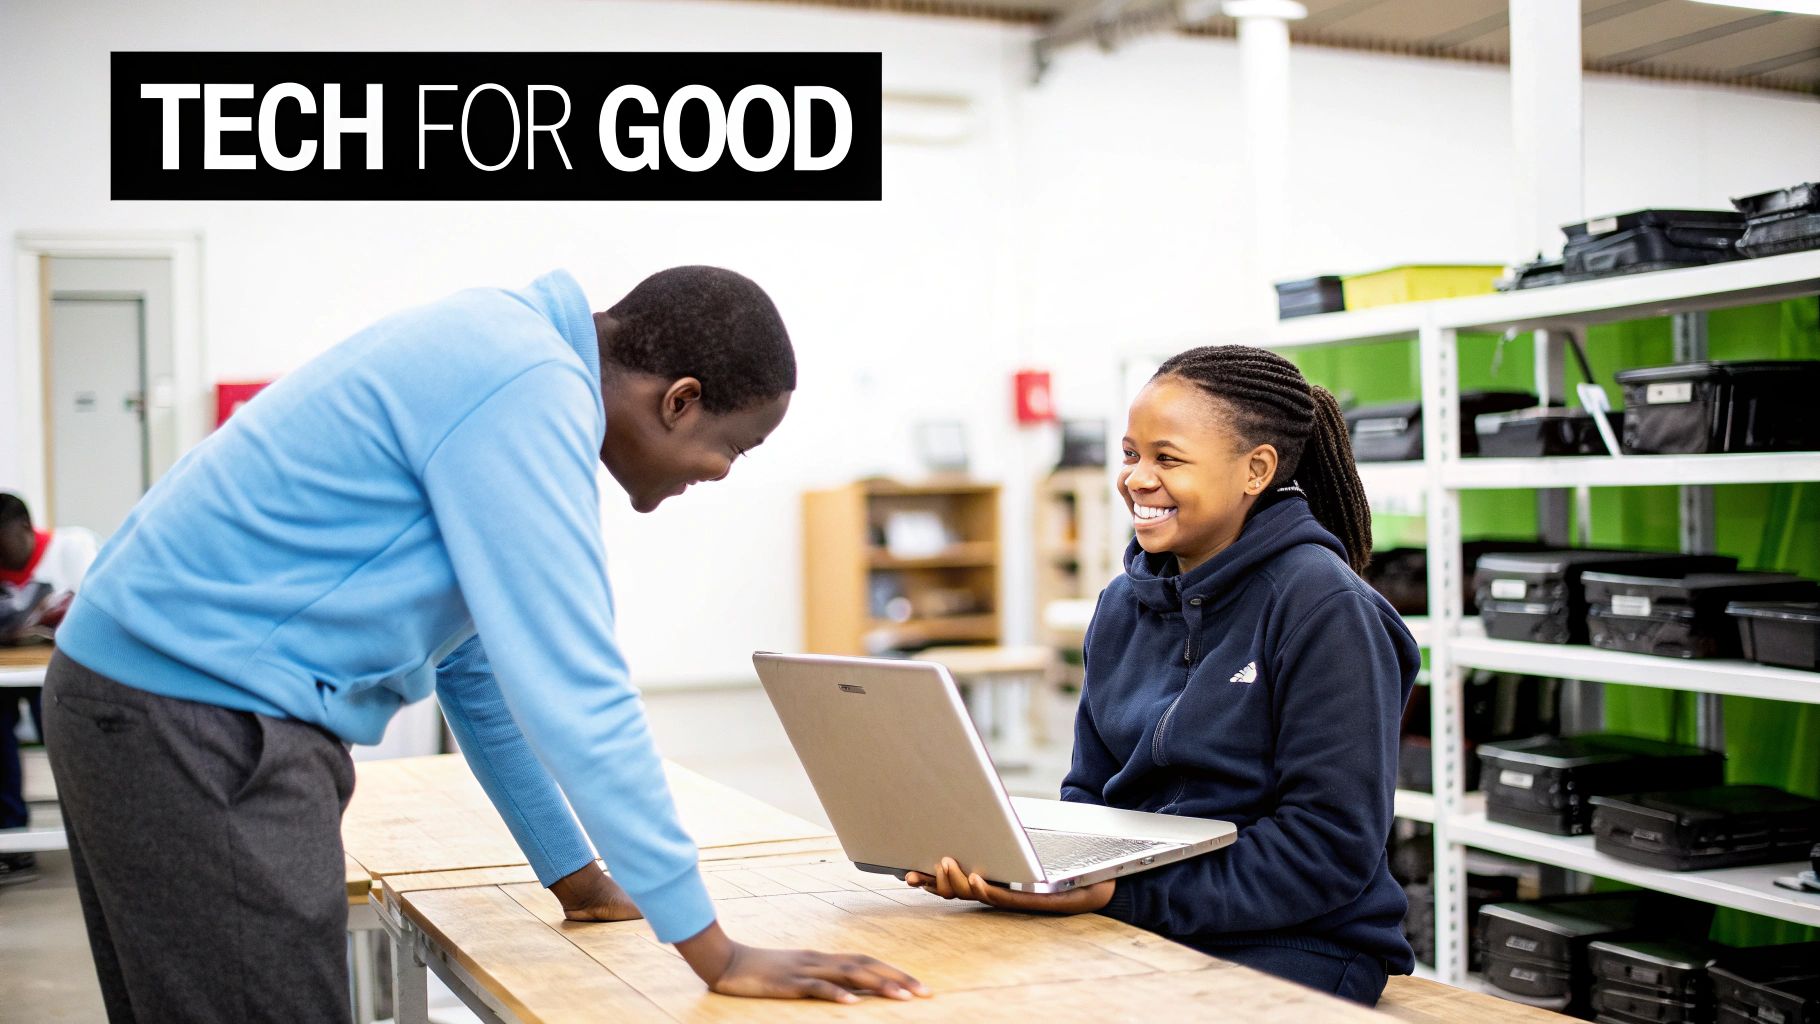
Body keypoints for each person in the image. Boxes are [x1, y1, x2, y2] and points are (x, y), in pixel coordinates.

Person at [45, 267, 927, 1022]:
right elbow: (576, 690)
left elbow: (476, 670)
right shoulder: (528, 388)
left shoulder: (507, 351)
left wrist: (577, 877)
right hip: (197, 716)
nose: (722, 473)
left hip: (144, 699)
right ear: (680, 400)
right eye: (734, 447)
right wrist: (712, 948)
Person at [906, 344, 1419, 1007]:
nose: (1136, 479)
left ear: (1256, 470)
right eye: (1130, 454)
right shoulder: (1122, 605)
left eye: (1167, 459)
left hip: (1298, 942)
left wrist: (1120, 893)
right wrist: (1031, 870)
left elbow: (1326, 850)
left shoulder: (1325, 609)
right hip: (1144, 919)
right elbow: (1089, 791)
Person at [0, 493, 97, 886]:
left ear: (25, 529)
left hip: (60, 672)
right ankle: (11, 839)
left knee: (63, 727)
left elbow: (96, 610)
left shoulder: (72, 548)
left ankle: (93, 831)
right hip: (9, 673)